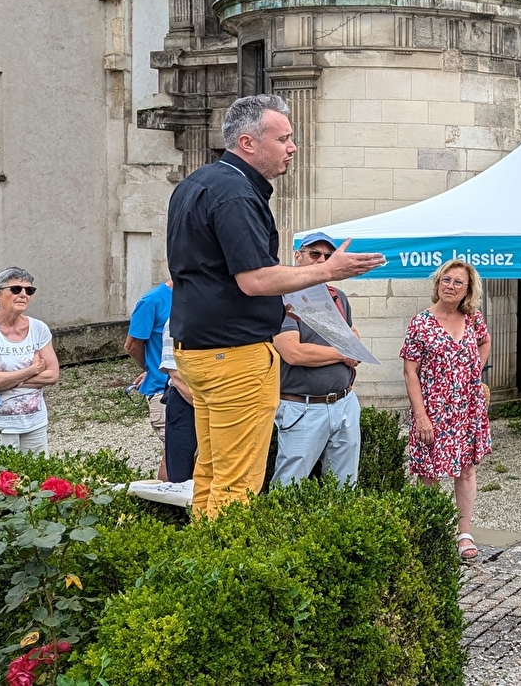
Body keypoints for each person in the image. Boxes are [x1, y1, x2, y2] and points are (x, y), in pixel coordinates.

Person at [166, 93, 383, 518]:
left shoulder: (198, 182)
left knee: (210, 473)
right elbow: (255, 280)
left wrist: (293, 299)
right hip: (235, 356)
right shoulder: (235, 193)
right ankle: (226, 578)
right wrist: (328, 271)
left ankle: (200, 565)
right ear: (249, 143)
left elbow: (216, 276)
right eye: (284, 138)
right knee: (237, 486)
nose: (293, 147)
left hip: (199, 350)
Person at [402, 259, 493, 562]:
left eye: (458, 282)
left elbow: (485, 342)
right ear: (437, 283)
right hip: (433, 409)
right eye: (446, 280)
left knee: (465, 469)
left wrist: (473, 374)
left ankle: (463, 532)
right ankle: (429, 530)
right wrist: (420, 415)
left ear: (468, 290)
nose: (450, 286)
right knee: (429, 472)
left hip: (466, 408)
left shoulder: (473, 319)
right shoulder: (421, 323)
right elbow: (410, 372)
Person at [271, 235, 363, 486]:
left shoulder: (338, 297)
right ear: (297, 257)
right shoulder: (283, 298)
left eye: (327, 256)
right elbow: (292, 352)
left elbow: (352, 338)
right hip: (303, 407)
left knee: (345, 487)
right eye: (314, 254)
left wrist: (350, 348)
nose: (322, 260)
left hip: (344, 402)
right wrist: (342, 354)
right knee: (290, 486)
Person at [0, 268, 60, 455]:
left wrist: (6, 381)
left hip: (33, 424)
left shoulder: (39, 328)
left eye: (28, 290)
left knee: (38, 481)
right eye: (15, 289)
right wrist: (33, 369)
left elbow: (52, 375)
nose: (23, 295)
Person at [126, 279, 173, 478]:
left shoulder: (196, 295)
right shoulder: (152, 301)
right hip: (162, 392)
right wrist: (152, 368)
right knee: (175, 453)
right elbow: (131, 345)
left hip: (191, 389)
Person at [157, 319, 196, 483]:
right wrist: (209, 408)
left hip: (216, 400)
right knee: (180, 469)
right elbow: (177, 377)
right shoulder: (176, 320)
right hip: (184, 400)